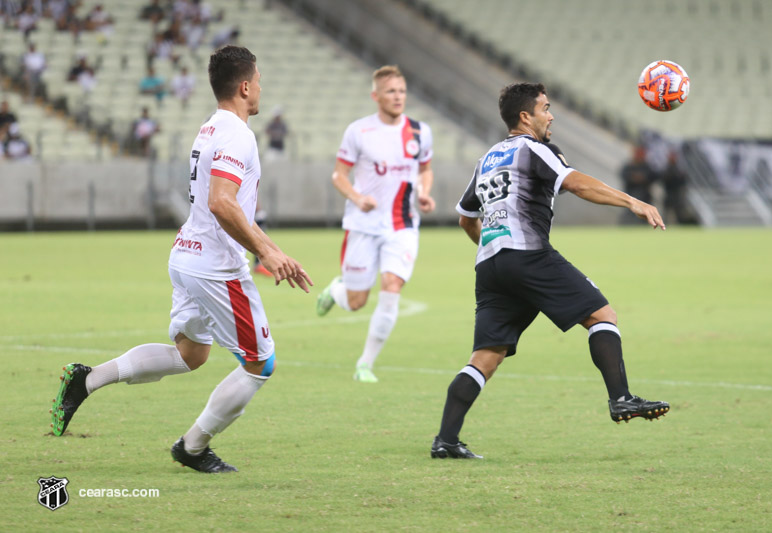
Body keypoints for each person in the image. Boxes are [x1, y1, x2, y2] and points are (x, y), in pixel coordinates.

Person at [49, 45, 313, 473]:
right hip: (216, 268)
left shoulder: (210, 128)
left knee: (191, 354)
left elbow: (227, 205)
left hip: (187, 256)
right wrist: (265, 251)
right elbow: (222, 203)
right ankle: (192, 447)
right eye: (259, 81)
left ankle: (88, 378)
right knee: (260, 363)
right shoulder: (235, 135)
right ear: (245, 87)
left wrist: (273, 248)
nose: (261, 88)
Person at [430, 82, 669, 460]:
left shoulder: (488, 158)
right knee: (602, 315)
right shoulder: (533, 149)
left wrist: (496, 248)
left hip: (490, 264)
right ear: (525, 116)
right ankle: (621, 398)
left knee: (485, 357)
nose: (551, 115)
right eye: (545, 108)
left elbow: (465, 218)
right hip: (528, 256)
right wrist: (632, 202)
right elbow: (574, 183)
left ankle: (445, 440)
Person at [315, 65, 435, 383]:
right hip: (363, 224)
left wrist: (424, 192)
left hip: (403, 224)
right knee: (356, 302)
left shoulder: (420, 132)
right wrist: (357, 198)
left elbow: (425, 169)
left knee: (392, 285)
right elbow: (338, 175)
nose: (398, 97)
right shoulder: (359, 131)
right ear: (376, 96)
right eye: (391, 91)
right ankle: (337, 290)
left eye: (402, 91)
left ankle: (365, 364)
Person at [619, 144, 657, 225]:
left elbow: (654, 176)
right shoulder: (629, 165)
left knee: (643, 219)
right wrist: (634, 178)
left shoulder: (647, 166)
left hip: (644, 198)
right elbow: (623, 175)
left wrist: (643, 178)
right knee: (628, 217)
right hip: (630, 196)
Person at [660, 150, 689, 224]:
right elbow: (664, 179)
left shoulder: (678, 168)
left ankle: (679, 224)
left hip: (677, 193)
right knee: (667, 211)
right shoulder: (667, 168)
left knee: (678, 211)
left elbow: (682, 180)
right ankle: (664, 224)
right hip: (669, 193)